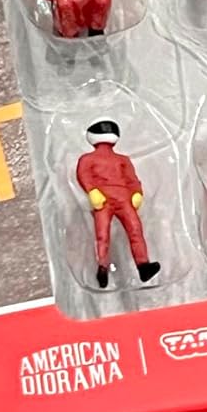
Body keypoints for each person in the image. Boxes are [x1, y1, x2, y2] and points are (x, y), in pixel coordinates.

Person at [76, 120, 161, 288]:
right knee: (104, 234)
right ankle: (102, 268)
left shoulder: (123, 159)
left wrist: (137, 192)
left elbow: (132, 179)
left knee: (133, 230)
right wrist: (92, 190)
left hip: (123, 199)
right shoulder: (88, 159)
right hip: (104, 199)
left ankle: (143, 266)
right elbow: (83, 175)